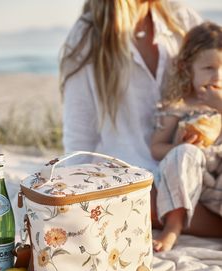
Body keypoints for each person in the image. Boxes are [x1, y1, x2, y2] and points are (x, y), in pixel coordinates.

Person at [59, 1, 222, 239]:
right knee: (137, 199)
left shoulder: (176, 17)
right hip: (134, 179)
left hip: (194, 172)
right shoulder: (88, 34)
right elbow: (80, 137)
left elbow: (215, 63)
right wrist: (74, 199)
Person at [151, 22, 222, 252]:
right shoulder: (179, 105)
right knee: (184, 153)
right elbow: (156, 147)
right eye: (209, 68)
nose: (217, 76)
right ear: (187, 68)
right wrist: (176, 146)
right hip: (196, 181)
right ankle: (173, 225)